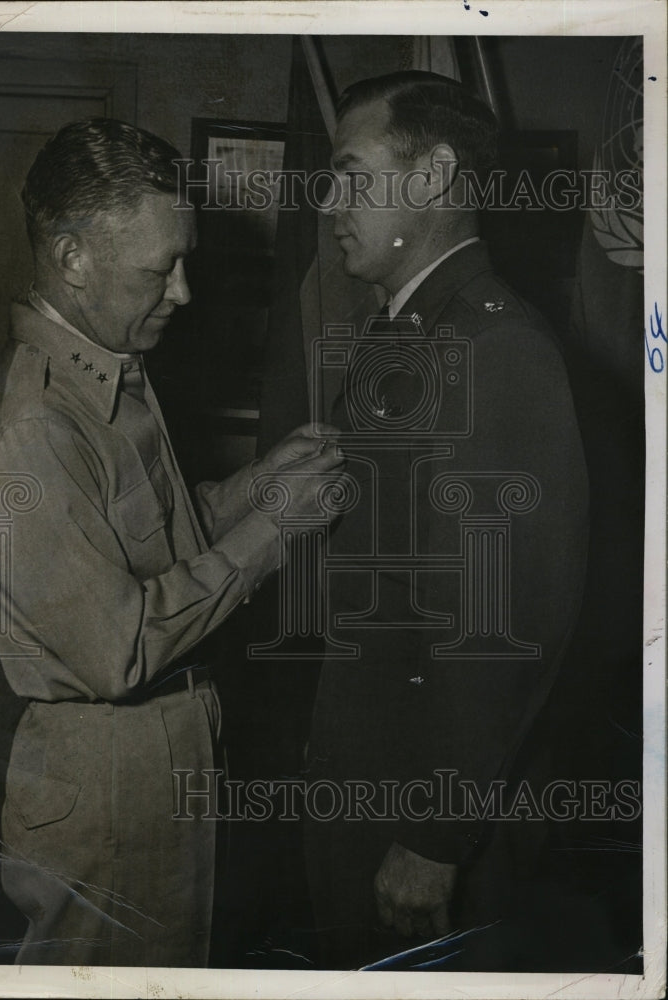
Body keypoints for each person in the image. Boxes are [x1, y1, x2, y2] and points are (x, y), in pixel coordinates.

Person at [0, 118, 343, 967]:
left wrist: (257, 487)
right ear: (71, 256)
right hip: (105, 775)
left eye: (184, 260)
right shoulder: (37, 425)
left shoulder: (109, 368)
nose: (183, 292)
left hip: (162, 750)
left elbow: (153, 541)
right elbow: (118, 645)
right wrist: (276, 530)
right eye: (159, 268)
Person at [303, 72, 589, 969]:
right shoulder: (405, 329)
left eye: (352, 174)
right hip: (370, 774)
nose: (330, 199)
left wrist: (434, 836)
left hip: (420, 814)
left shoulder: (492, 350)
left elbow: (502, 624)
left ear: (431, 178)